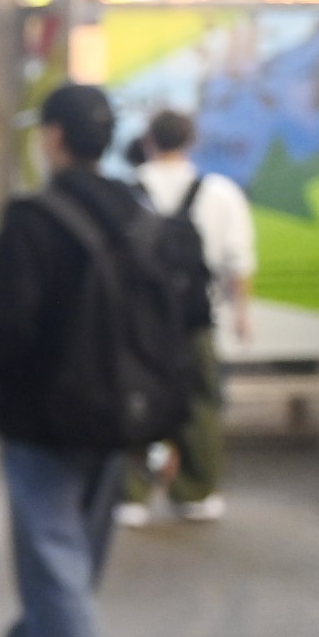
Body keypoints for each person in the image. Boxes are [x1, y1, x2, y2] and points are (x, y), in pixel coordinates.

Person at [0, 82, 146, 637]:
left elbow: (5, 334)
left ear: (53, 138)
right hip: (121, 414)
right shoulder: (138, 209)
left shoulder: (32, 218)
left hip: (46, 416)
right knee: (76, 555)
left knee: (54, 558)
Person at [119, 108, 255, 526]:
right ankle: (195, 492)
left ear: (148, 141)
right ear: (191, 142)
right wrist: (241, 314)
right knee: (201, 402)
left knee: (134, 398)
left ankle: (132, 494)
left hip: (137, 322)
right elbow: (239, 259)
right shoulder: (219, 193)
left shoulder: (128, 191)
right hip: (196, 318)